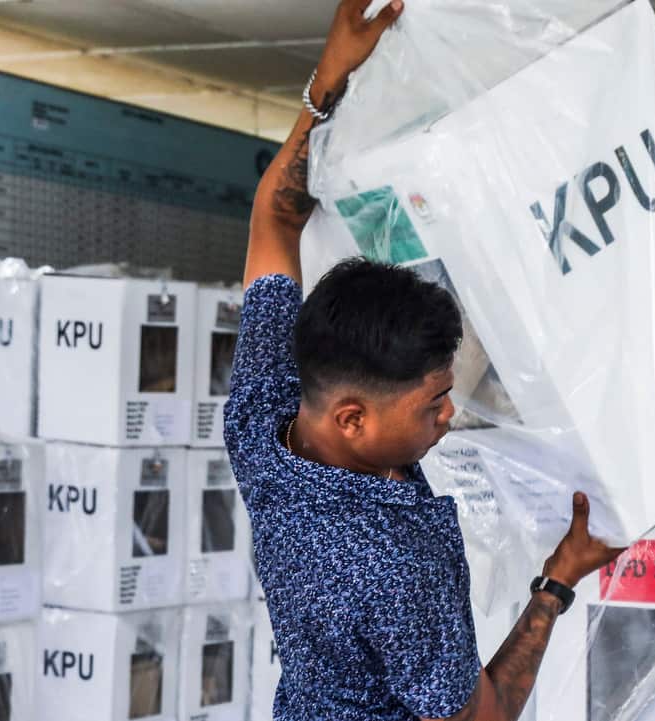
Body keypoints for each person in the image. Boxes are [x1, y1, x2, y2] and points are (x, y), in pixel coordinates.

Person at [225, 2, 624, 719]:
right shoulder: (393, 563)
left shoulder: (263, 421)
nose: (450, 413)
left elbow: (275, 217)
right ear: (351, 417)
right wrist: (558, 580)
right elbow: (481, 715)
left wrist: (332, 74)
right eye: (433, 401)